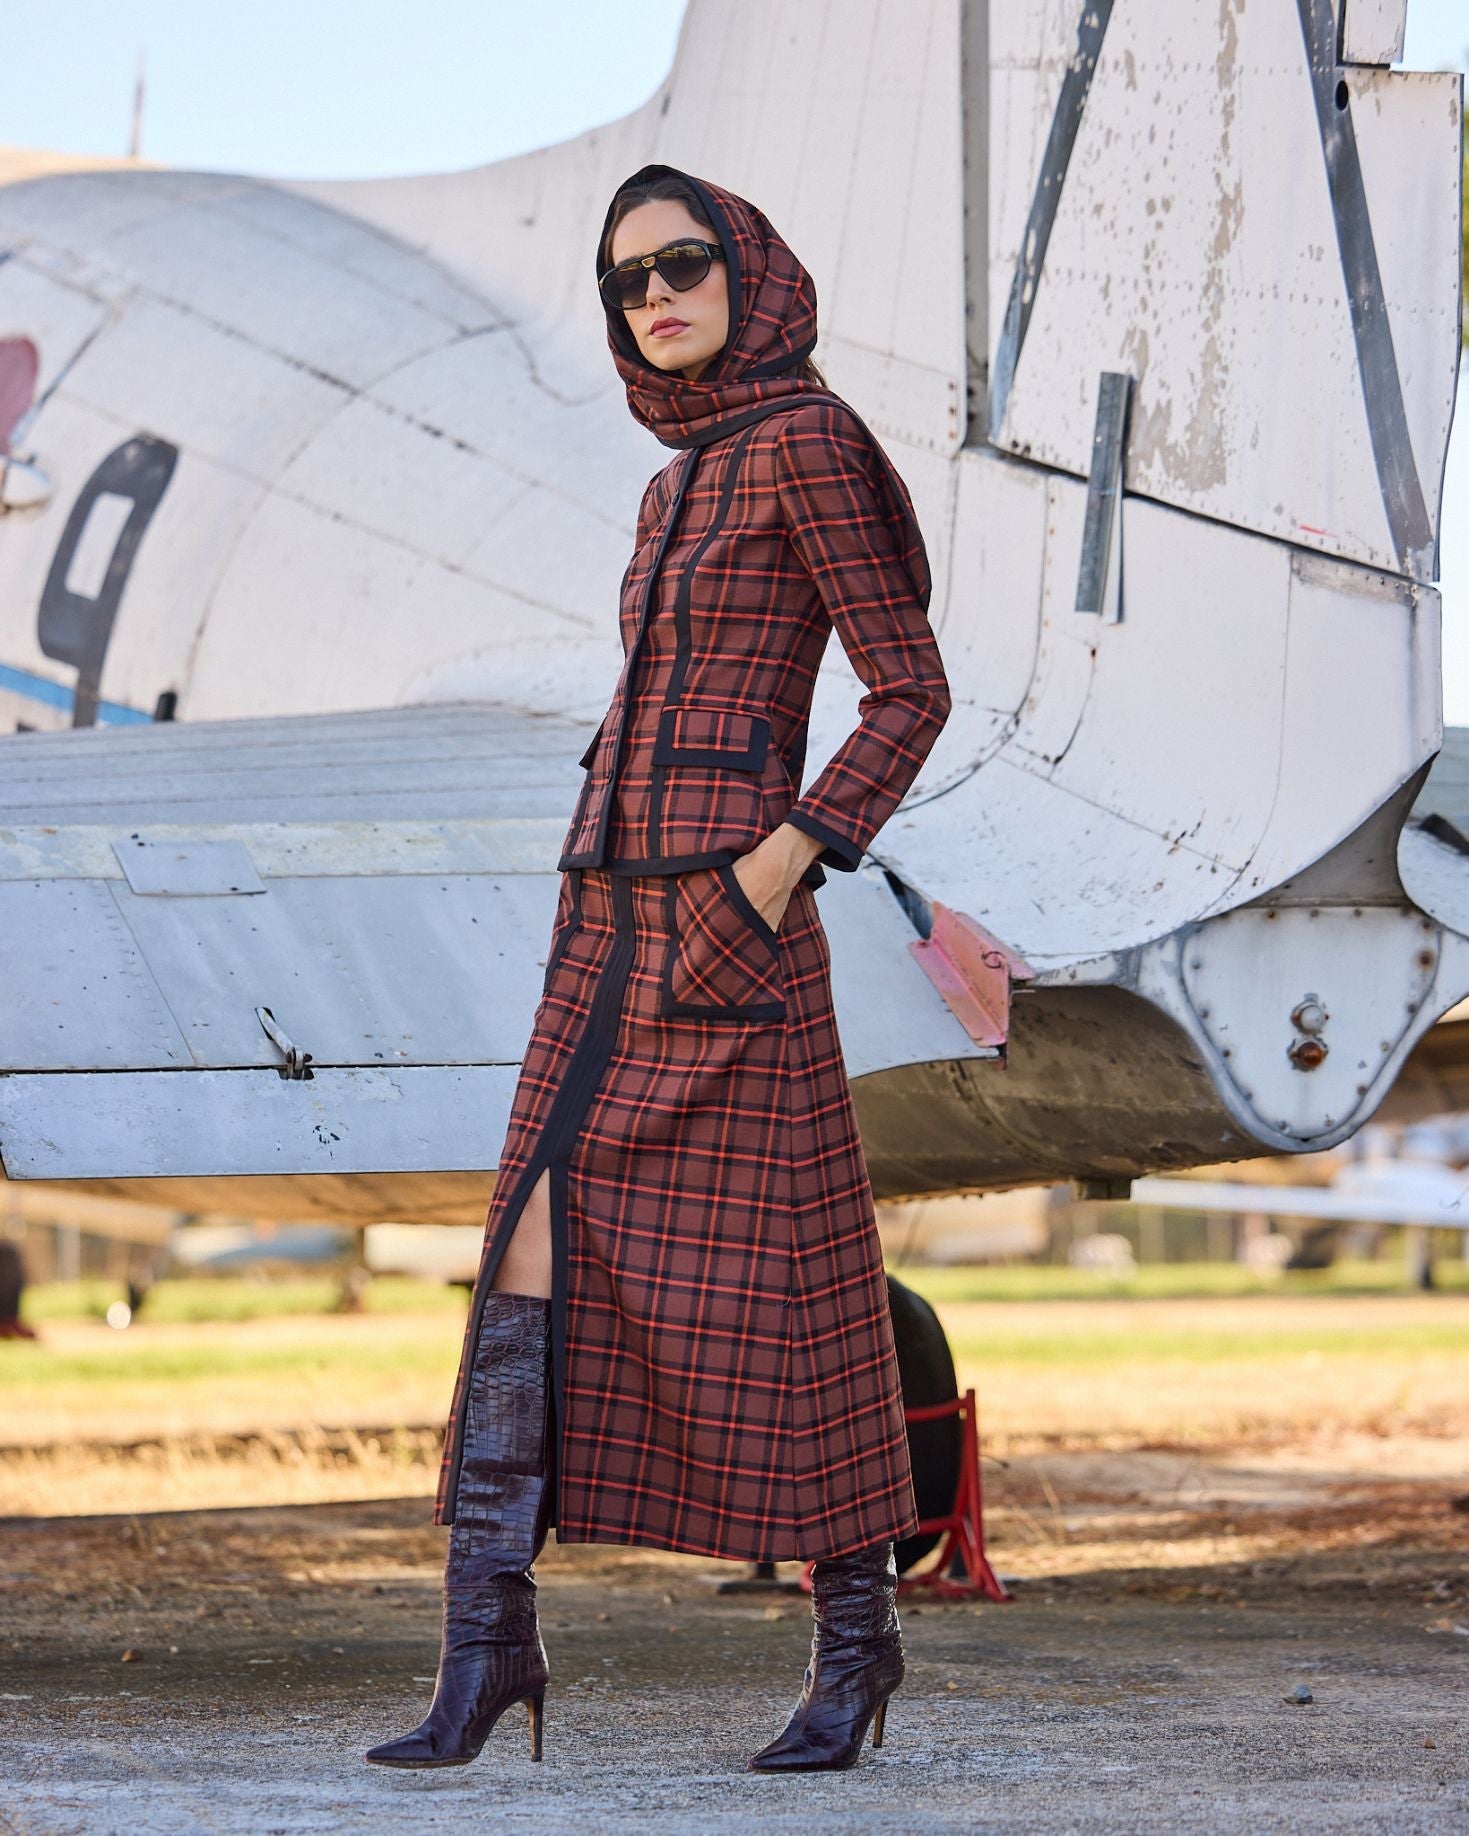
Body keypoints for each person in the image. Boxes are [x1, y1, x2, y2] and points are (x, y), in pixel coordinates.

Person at [366, 162, 952, 1775]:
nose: (654, 298)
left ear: (749, 271)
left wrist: (784, 859)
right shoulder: (671, 480)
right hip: (601, 919)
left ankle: (856, 1646)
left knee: (796, 1295)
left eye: (682, 263)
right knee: (524, 1258)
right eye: (625, 281)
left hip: (727, 920)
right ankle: (487, 1645)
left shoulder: (810, 441)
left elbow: (908, 690)